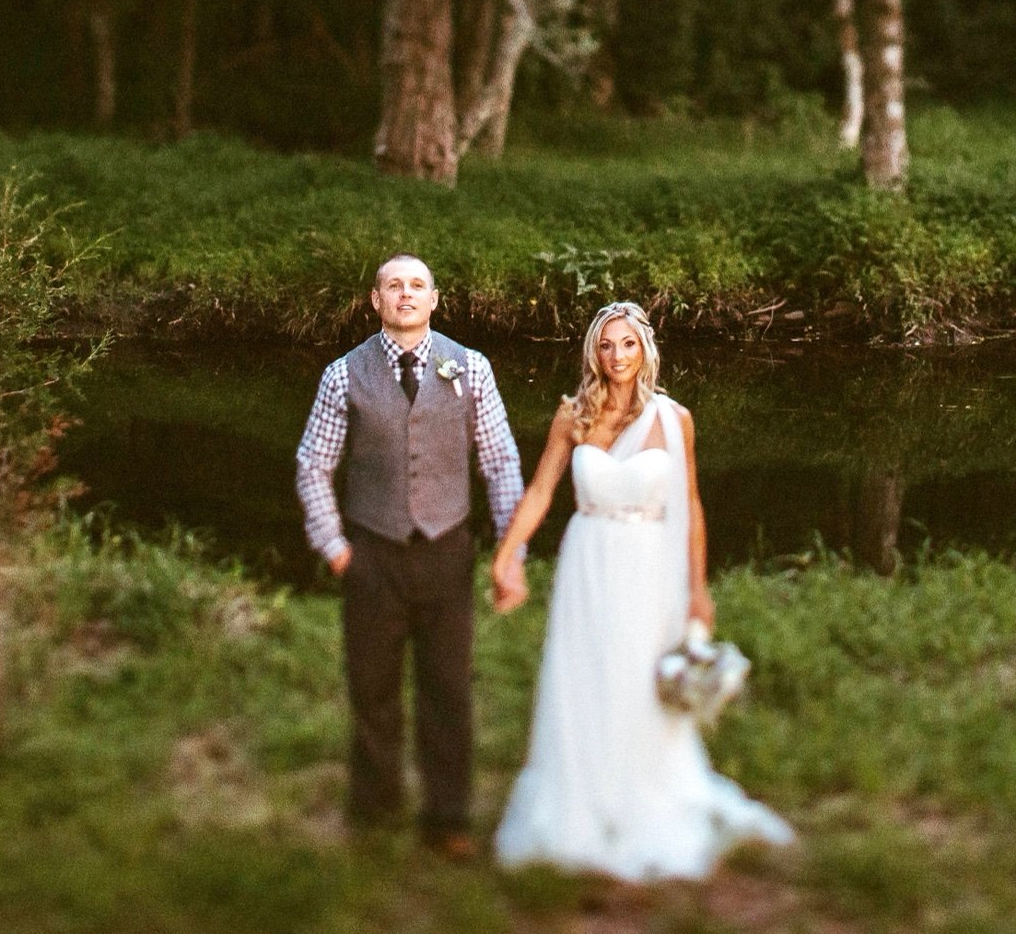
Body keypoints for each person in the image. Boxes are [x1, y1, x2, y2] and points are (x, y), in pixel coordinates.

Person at [488, 301, 794, 880]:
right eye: (606, 345)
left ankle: (644, 795)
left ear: (645, 349)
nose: (617, 356)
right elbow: (539, 495)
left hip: (650, 566)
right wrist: (507, 559)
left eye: (627, 344)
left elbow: (692, 507)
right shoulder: (572, 416)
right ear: (593, 354)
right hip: (588, 562)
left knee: (639, 679)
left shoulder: (674, 418)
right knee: (588, 675)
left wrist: (697, 590)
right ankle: (583, 799)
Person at [294, 254, 522, 860]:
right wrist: (336, 548)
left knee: (447, 687)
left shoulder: (470, 367)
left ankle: (447, 819)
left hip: (447, 550)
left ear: (434, 299)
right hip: (374, 551)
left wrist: (509, 550)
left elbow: (499, 462)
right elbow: (314, 464)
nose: (405, 295)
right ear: (376, 301)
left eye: (416, 285)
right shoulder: (343, 375)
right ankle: (373, 814)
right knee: (373, 687)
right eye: (394, 286)